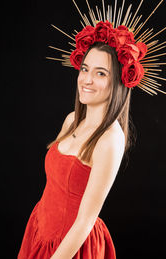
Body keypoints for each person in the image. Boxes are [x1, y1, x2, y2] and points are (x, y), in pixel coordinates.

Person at [18, 0, 166, 258]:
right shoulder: (71, 119)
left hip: (72, 247)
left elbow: (85, 221)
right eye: (85, 68)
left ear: (119, 81)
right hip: (40, 230)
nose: (86, 79)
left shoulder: (110, 140)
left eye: (100, 73)